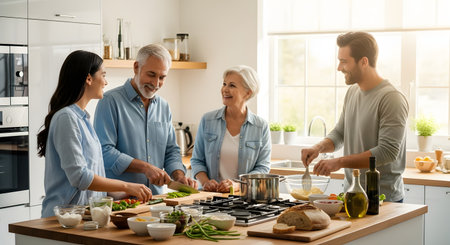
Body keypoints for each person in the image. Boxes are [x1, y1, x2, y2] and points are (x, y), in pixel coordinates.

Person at [38, 50, 152, 218]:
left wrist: (121, 195)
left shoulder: (82, 118)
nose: (105, 82)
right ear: (88, 78)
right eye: (103, 75)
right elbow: (80, 178)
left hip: (83, 217)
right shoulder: (66, 118)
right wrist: (126, 186)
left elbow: (91, 177)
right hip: (62, 220)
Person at [301, 32, 409, 202]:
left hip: (383, 199)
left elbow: (387, 152)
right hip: (351, 194)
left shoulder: (391, 98)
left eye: (344, 61)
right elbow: (340, 133)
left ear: (364, 61)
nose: (339, 68)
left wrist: (339, 162)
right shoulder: (352, 92)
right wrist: (318, 148)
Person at [94, 44, 197, 195]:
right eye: (151, 74)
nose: (155, 84)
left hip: (156, 199)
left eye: (162, 77)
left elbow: (170, 150)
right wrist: (145, 168)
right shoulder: (110, 101)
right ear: (136, 67)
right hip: (120, 201)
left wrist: (179, 176)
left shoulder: (163, 106)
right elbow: (103, 151)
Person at [190, 65, 271, 193]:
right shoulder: (207, 120)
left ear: (248, 92)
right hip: (210, 197)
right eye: (224, 84)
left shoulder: (260, 126)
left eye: (232, 85)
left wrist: (238, 184)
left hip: (243, 197)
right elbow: (197, 160)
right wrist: (206, 182)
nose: (225, 89)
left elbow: (262, 167)